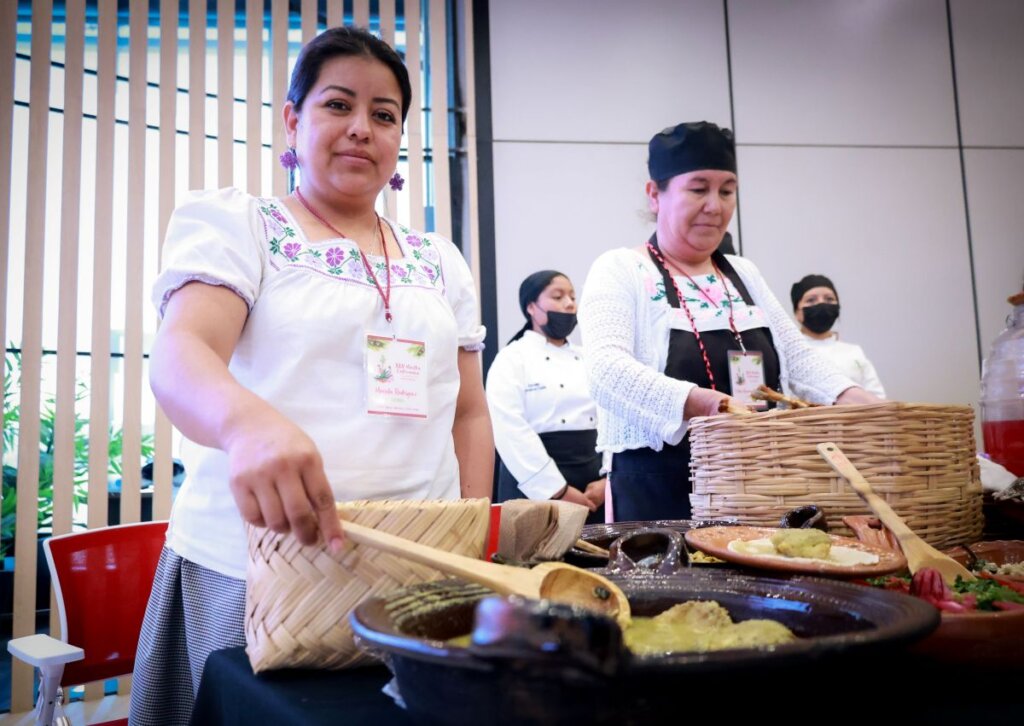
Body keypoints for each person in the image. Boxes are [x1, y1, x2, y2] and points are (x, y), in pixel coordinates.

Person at [130, 27, 492, 725]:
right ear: (295, 120)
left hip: (413, 571)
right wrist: (248, 426)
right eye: (338, 105)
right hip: (258, 569)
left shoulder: (439, 259)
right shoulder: (246, 226)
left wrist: (468, 538)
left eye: (383, 115)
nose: (361, 129)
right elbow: (182, 354)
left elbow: (469, 412)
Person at [577, 121, 880, 523]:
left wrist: (859, 402)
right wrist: (707, 403)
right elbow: (605, 370)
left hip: (754, 485)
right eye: (698, 188)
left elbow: (798, 358)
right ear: (655, 194)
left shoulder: (743, 273)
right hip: (660, 490)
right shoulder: (622, 269)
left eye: (727, 190)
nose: (715, 206)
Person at [486, 271, 605, 524]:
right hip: (533, 481)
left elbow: (613, 419)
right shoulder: (511, 359)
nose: (570, 303)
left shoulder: (589, 359)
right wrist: (556, 490)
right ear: (531, 307)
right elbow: (509, 429)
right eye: (558, 296)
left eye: (573, 296)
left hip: (591, 482)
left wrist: (607, 479)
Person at [790, 274, 886, 398]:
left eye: (829, 299)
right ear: (797, 312)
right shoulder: (788, 353)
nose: (822, 304)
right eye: (811, 300)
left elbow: (877, 399)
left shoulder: (854, 352)